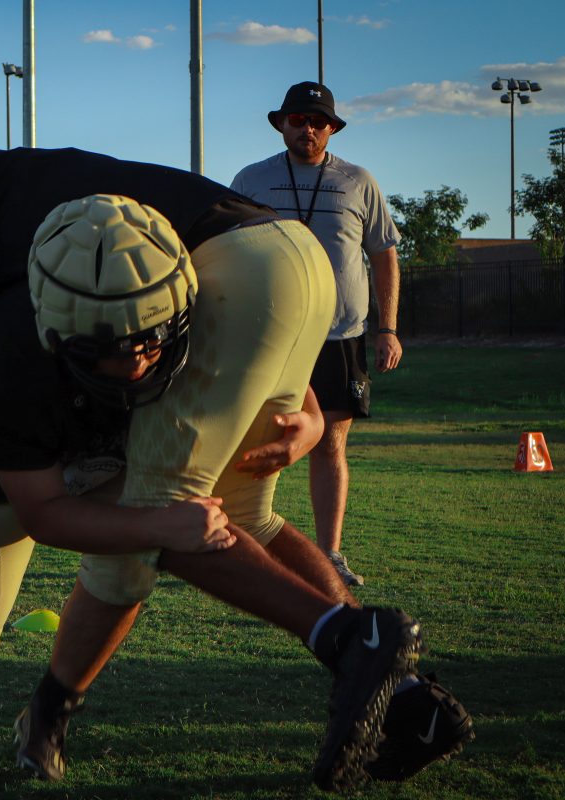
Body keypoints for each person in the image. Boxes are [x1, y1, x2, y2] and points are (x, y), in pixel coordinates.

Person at [0, 149, 468, 789]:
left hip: (249, 274)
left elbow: (241, 310)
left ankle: (351, 646)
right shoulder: (8, 351)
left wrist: (302, 412)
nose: (140, 359)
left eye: (153, 335)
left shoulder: (131, 268)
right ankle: (396, 687)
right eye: (110, 344)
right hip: (293, 262)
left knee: (168, 517)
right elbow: (43, 506)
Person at [231, 82, 403, 588]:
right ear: (281, 123)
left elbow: (384, 255)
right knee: (262, 434)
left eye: (317, 121)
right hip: (272, 331)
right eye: (296, 119)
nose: (306, 128)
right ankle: (245, 541)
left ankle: (329, 553)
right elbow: (230, 248)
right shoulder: (251, 179)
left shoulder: (358, 181)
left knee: (329, 440)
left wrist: (388, 328)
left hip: (341, 333)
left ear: (332, 128)